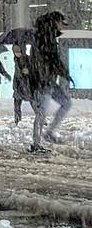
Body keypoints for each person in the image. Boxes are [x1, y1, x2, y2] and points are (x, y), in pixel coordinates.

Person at [29, 11, 72, 153]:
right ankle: (36, 143)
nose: (63, 26)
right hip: (42, 80)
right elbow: (51, 60)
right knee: (41, 112)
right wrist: (62, 71)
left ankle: (49, 132)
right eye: (61, 23)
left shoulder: (49, 37)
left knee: (66, 103)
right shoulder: (45, 38)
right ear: (55, 22)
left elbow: (52, 60)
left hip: (49, 80)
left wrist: (62, 72)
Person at [11, 43, 33, 124]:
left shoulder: (26, 58)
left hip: (26, 84)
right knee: (17, 103)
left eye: (19, 52)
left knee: (33, 103)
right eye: (16, 52)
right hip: (18, 84)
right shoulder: (16, 59)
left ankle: (41, 118)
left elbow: (32, 68)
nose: (17, 54)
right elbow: (16, 73)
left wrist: (27, 71)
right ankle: (17, 119)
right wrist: (14, 85)